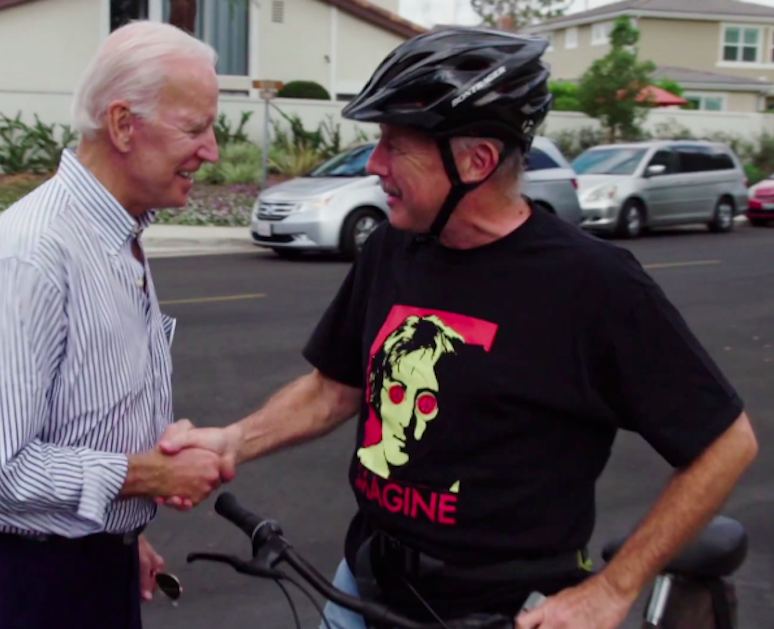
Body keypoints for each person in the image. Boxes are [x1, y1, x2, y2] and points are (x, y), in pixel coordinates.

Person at [156, 26, 759, 629]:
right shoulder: (395, 246)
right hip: (361, 586)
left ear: (476, 161)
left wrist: (613, 588)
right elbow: (334, 387)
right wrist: (234, 441)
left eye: (397, 144)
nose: (375, 164)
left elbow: (724, 444)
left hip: (501, 612)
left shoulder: (593, 284)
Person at [0, 20, 231, 629]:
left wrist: (117, 540)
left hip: (91, 567)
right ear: (122, 125)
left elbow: (77, 415)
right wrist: (147, 473)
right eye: (195, 128)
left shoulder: (114, 235)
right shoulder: (32, 255)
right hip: (31, 596)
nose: (213, 150)